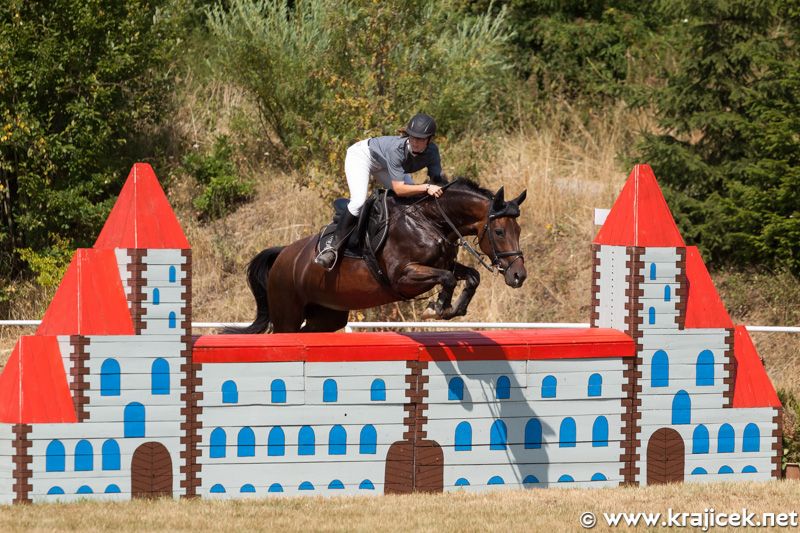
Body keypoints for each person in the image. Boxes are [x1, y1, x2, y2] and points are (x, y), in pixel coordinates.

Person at [314, 112, 445, 271]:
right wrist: (425, 187)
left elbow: (437, 179)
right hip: (363, 156)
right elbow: (399, 189)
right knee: (358, 202)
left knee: (413, 200)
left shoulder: (432, 152)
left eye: (421, 139)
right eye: (413, 137)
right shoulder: (397, 150)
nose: (416, 143)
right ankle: (332, 248)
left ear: (430, 139)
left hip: (384, 164)